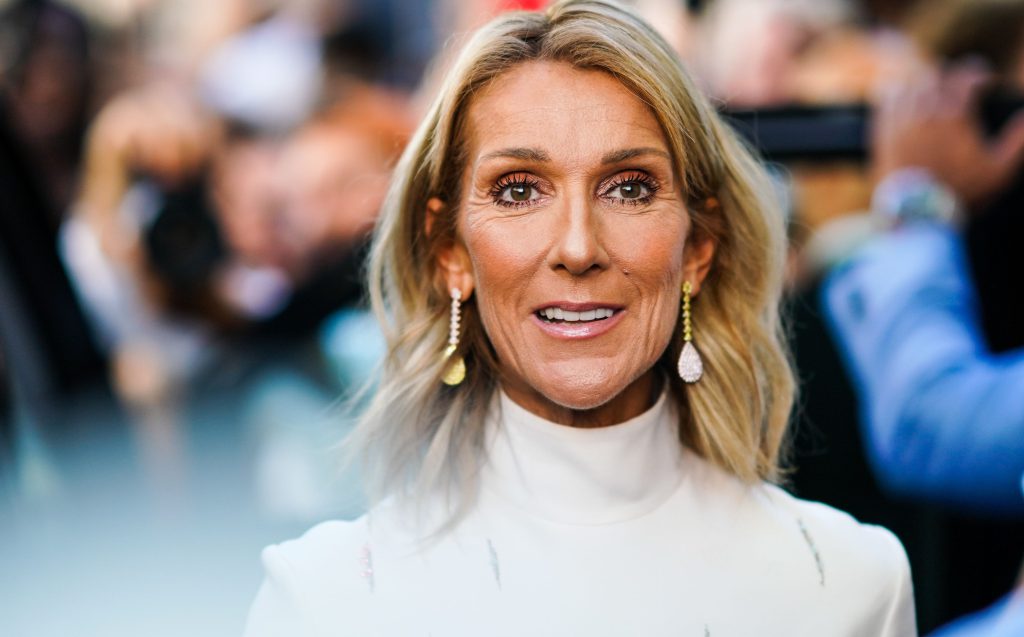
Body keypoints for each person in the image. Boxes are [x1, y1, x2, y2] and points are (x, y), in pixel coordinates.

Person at [244, 2, 915, 635]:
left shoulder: (851, 581)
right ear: (451, 252)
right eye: (519, 191)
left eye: (629, 189)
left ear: (698, 248)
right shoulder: (324, 597)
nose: (577, 246)